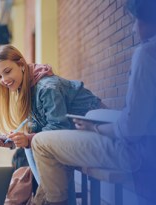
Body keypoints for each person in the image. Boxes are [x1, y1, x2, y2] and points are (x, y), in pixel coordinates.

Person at [30, 0, 156, 204]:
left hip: (139, 153)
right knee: (91, 116)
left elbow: (132, 129)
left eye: (134, 22)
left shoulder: (147, 53)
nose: (133, 29)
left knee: (39, 142)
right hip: (145, 146)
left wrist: (95, 128)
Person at [0, 44, 104, 205]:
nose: (4, 80)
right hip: (75, 138)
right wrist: (15, 141)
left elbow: (57, 129)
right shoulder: (26, 88)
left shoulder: (47, 87)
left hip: (99, 137)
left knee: (44, 152)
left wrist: (27, 139)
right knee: (32, 149)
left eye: (7, 72)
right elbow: (40, 131)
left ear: (21, 64)